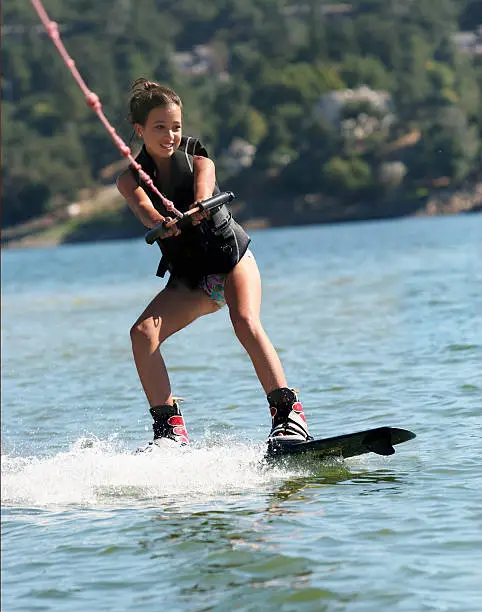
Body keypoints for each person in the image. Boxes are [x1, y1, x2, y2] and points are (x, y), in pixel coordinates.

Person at [116, 78, 312, 450]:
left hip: (232, 260)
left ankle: (288, 416)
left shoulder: (199, 160)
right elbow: (142, 207)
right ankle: (170, 432)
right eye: (159, 127)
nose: (170, 135)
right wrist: (159, 221)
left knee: (244, 320)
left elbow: (204, 190)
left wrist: (196, 208)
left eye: (175, 127)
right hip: (193, 279)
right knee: (142, 334)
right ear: (140, 130)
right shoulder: (129, 179)